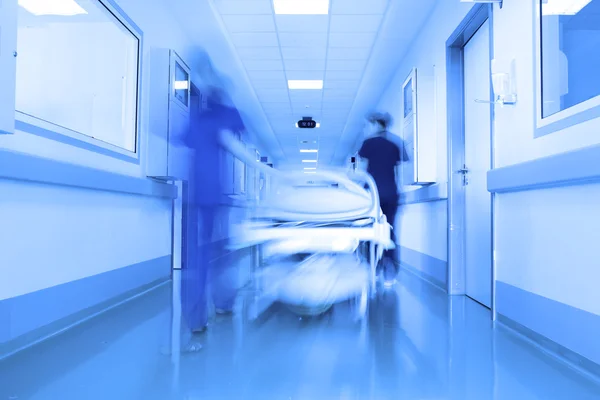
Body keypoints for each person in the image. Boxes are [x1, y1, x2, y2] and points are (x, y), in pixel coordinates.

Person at [176, 85, 246, 351]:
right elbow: (236, 136)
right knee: (219, 253)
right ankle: (224, 304)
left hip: (197, 194)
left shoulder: (199, 118)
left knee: (199, 257)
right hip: (215, 195)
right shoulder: (226, 115)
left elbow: (185, 141)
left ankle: (196, 319)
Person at [357, 112, 408, 286]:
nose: (367, 128)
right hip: (392, 194)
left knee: (370, 231)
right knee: (390, 231)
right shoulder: (395, 144)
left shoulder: (368, 144)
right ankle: (390, 273)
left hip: (373, 196)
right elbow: (397, 173)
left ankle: (374, 268)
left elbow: (363, 172)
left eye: (368, 125)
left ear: (377, 124)